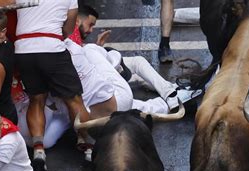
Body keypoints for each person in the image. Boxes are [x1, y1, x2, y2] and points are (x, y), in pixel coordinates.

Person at [0, 0, 92, 171]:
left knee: (36, 99)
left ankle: (38, 151)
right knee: (74, 99)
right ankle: (89, 147)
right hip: (52, 46)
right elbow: (68, 28)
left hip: (24, 50)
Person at [73, 5, 202, 115]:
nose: (91, 30)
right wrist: (97, 49)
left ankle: (170, 93)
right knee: (132, 100)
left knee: (138, 63)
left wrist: (99, 48)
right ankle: (172, 96)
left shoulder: (79, 40)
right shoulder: (70, 37)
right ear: (78, 20)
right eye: (90, 25)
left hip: (98, 72)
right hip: (91, 82)